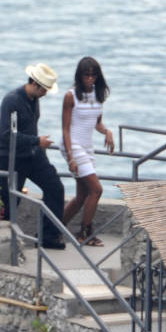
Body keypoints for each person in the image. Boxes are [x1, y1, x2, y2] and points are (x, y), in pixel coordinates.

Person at [0, 63, 66, 250]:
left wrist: (37, 145)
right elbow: (6, 134)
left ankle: (48, 236)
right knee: (8, 202)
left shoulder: (34, 99)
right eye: (44, 90)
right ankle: (3, 245)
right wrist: (36, 141)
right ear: (35, 85)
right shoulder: (11, 101)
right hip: (12, 158)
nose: (45, 93)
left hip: (33, 154)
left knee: (55, 188)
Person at [61, 57, 114, 246]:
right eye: (86, 75)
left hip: (87, 147)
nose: (90, 79)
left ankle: (54, 227)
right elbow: (65, 129)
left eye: (93, 75)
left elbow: (96, 123)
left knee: (82, 196)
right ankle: (85, 233)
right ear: (80, 76)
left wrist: (107, 132)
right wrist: (70, 157)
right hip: (73, 146)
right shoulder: (71, 96)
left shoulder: (98, 95)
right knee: (96, 189)